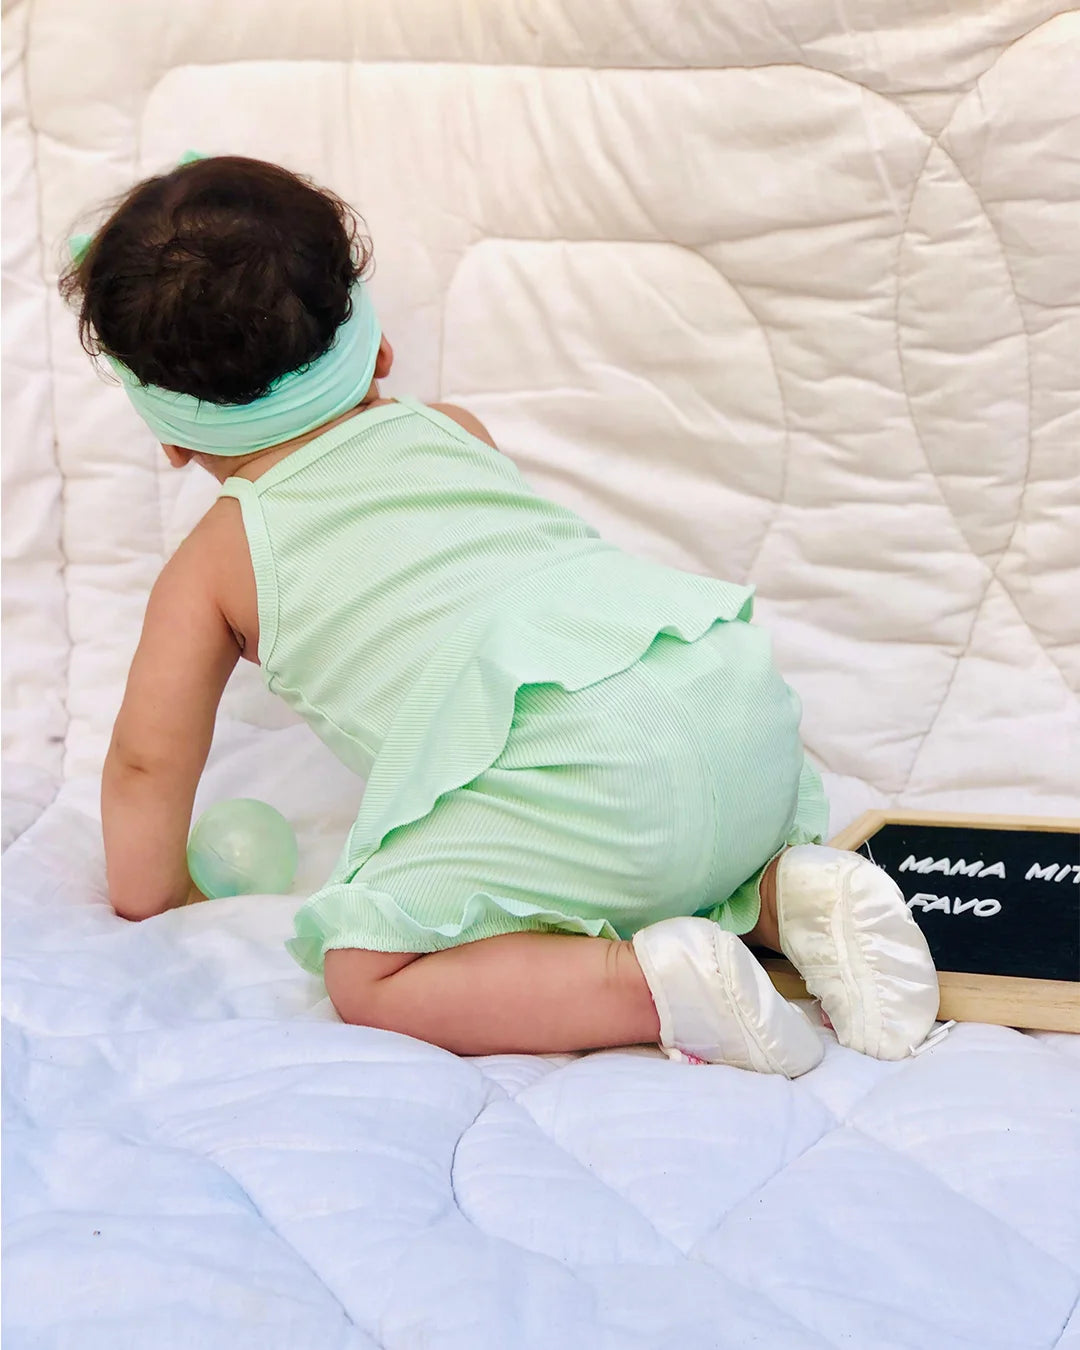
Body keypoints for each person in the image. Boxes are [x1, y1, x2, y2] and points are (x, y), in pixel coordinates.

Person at [61, 154, 938, 1072]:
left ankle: (649, 986)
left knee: (369, 971)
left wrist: (155, 896)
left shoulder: (213, 568)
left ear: (170, 437)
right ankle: (786, 894)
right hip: (731, 705)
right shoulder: (454, 431)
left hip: (584, 784)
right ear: (375, 346)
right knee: (641, 826)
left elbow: (146, 761)